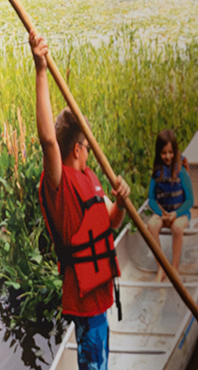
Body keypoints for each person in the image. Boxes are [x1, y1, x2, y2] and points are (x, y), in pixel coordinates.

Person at [31, 30, 129, 370]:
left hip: (101, 295)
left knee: (101, 360)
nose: (90, 152)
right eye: (88, 146)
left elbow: (108, 222)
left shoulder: (90, 178)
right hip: (85, 302)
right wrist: (41, 69)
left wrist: (120, 203)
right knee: (93, 363)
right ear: (77, 149)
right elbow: (46, 139)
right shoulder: (60, 183)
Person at [146, 128, 194, 282]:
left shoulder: (181, 171)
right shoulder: (157, 173)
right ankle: (161, 268)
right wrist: (161, 214)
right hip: (164, 213)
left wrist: (176, 214)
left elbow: (190, 200)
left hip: (180, 213)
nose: (168, 156)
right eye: (164, 153)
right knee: (151, 226)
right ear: (159, 153)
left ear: (175, 152)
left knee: (177, 228)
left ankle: (174, 268)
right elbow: (151, 199)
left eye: (171, 152)